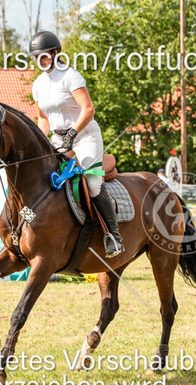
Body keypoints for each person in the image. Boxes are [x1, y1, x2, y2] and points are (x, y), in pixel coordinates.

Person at [29, 31, 124, 258]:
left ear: (55, 53)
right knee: (41, 176)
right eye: (36, 57)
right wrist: (40, 143)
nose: (41, 60)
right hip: (58, 138)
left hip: (85, 135)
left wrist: (73, 132)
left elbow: (88, 109)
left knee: (92, 182)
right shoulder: (38, 84)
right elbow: (43, 118)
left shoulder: (70, 76)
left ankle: (114, 237)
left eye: (44, 55)